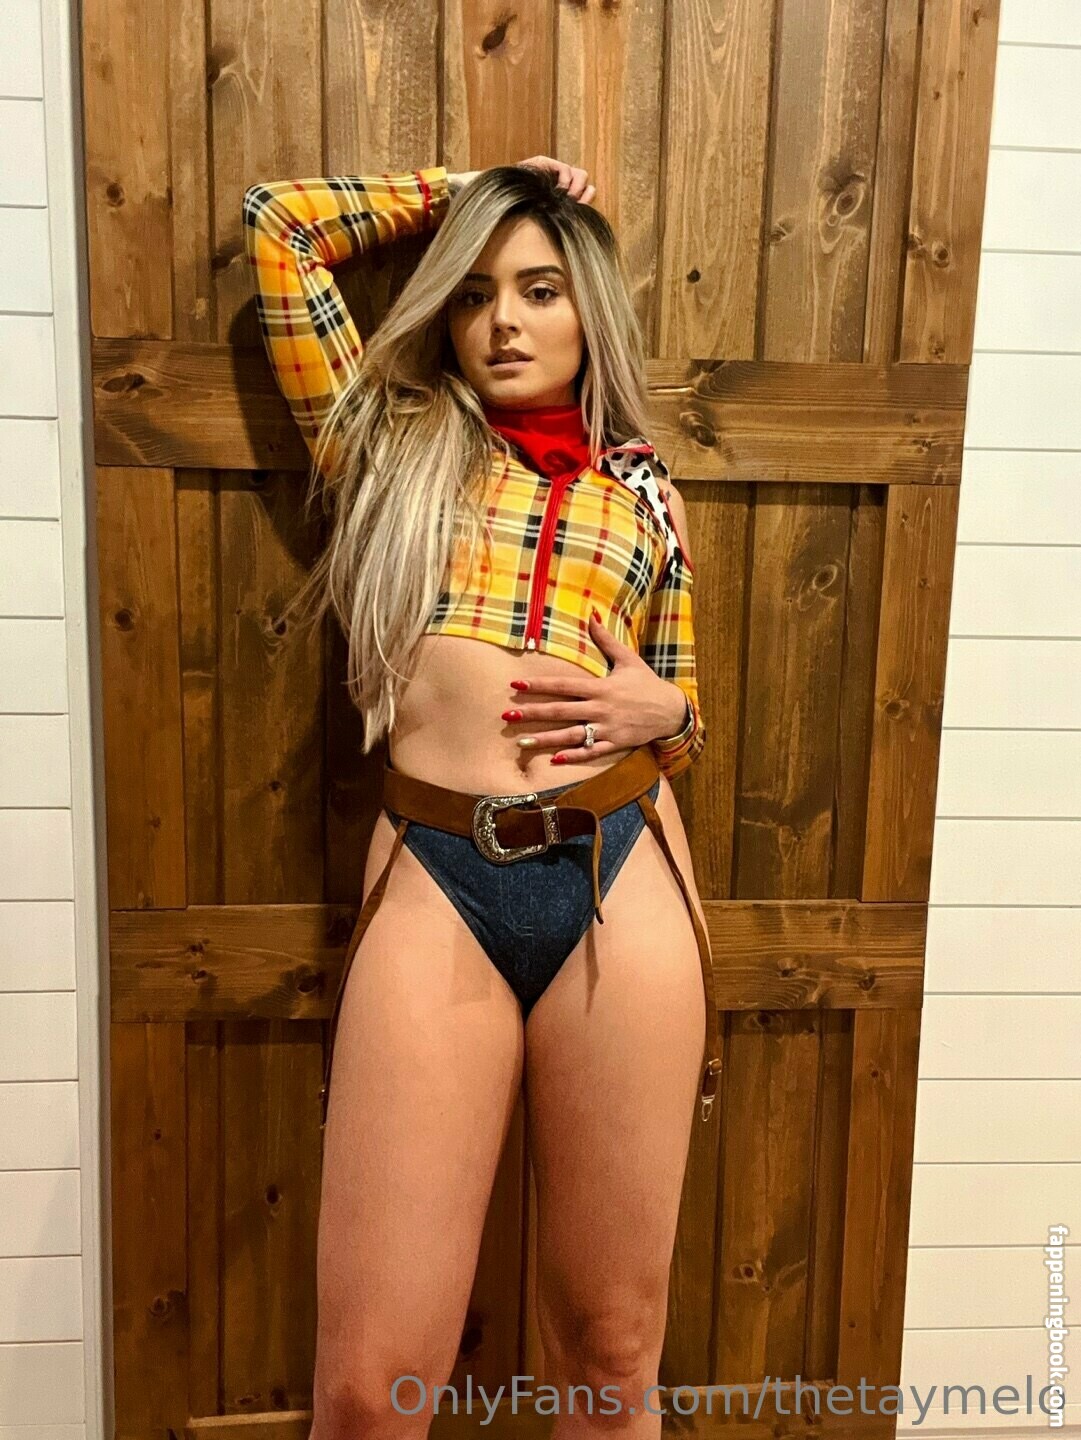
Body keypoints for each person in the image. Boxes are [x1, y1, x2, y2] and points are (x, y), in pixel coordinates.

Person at [242, 156, 721, 1438]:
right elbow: (281, 231)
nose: (504, 320)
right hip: (437, 878)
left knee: (611, 1355)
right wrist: (471, 189)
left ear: (587, 312)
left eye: (540, 288)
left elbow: (681, 713)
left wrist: (667, 716)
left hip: (620, 876)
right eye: (475, 291)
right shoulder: (388, 448)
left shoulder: (647, 498)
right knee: (367, 1384)